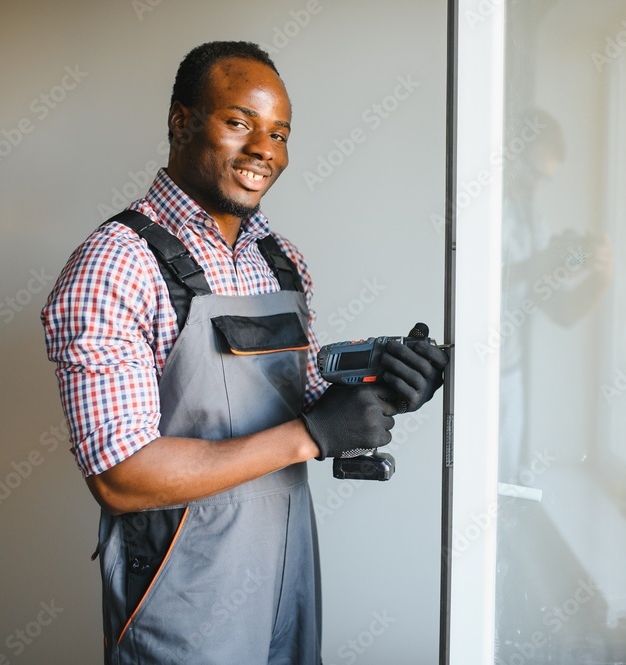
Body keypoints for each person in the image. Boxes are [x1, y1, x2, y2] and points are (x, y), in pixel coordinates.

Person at [41, 41, 448, 664]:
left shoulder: (280, 259)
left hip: (287, 584)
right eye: (240, 123)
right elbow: (121, 477)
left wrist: (383, 385)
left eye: (280, 133)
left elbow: (295, 397)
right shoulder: (117, 263)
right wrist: (312, 436)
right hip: (182, 602)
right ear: (181, 121)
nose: (265, 149)